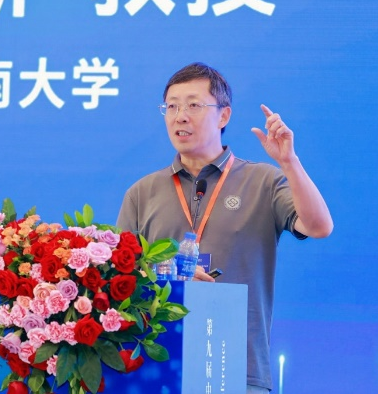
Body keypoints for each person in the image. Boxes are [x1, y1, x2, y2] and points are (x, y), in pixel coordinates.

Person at [116, 63, 333, 393]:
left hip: (237, 370)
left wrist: (289, 162)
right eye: (171, 106)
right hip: (158, 370)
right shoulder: (142, 193)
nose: (180, 116)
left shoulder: (263, 181)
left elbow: (319, 227)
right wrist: (169, 273)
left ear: (224, 115)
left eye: (193, 105)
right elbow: (120, 281)